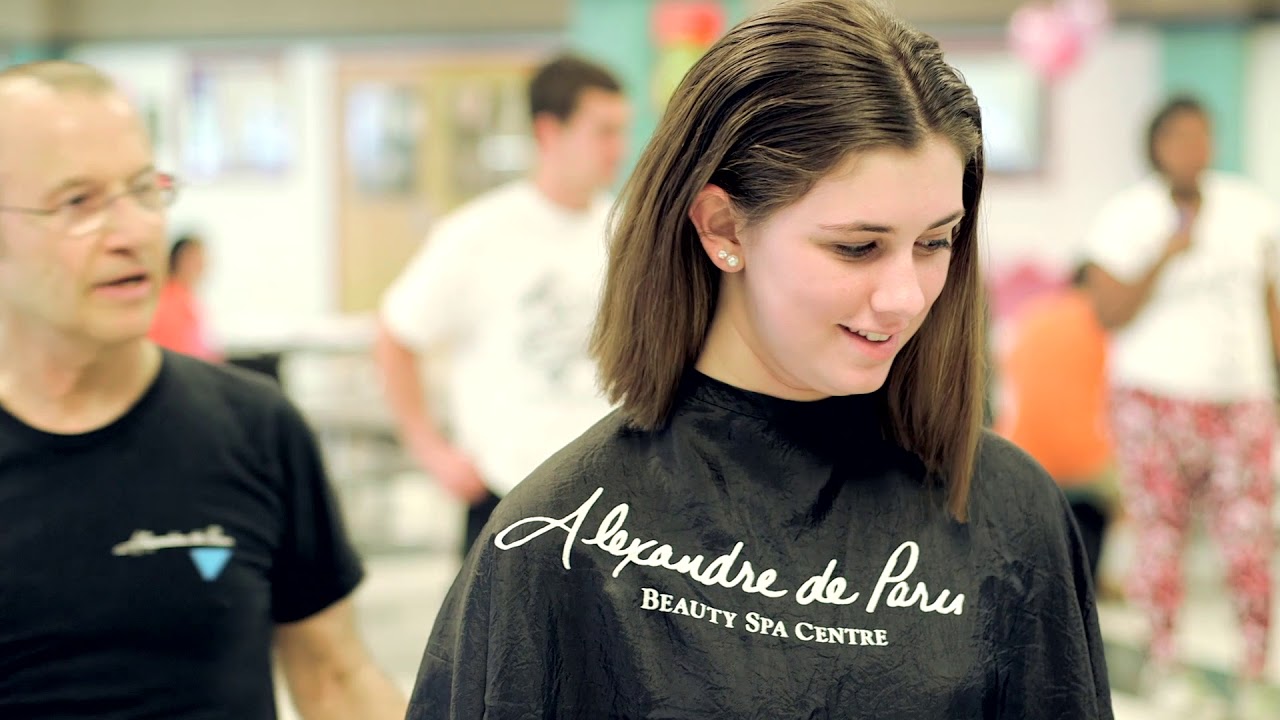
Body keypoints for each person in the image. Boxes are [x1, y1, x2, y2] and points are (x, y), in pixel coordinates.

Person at [407, 1, 1113, 718]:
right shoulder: (556, 539)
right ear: (722, 226)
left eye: (935, 242)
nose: (906, 295)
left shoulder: (1013, 515)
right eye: (857, 246)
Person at [0, 60, 406, 719]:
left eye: (144, 190)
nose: (133, 232)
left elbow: (335, 677)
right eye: (78, 202)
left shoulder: (254, 428)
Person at [374, 53, 630, 557]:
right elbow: (396, 334)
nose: (617, 149)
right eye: (602, 131)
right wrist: (431, 450)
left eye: (621, 131)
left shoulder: (627, 233)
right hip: (507, 496)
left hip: (609, 498)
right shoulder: (478, 234)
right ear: (549, 132)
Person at [1084, 94, 1280, 717]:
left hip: (1240, 400)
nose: (1194, 149)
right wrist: (1168, 251)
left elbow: (1271, 303)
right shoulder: (1126, 217)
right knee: (1159, 543)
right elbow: (1107, 313)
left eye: (1204, 136)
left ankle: (1255, 671)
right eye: (1181, 138)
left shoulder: (1250, 209)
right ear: (1157, 146)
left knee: (1251, 540)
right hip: (1153, 398)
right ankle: (1167, 668)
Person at [993, 263, 1115, 583]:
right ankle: (1091, 584)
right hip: (1085, 461)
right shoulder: (1108, 323)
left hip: (1020, 451)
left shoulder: (1034, 316)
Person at [149, 231, 220, 361]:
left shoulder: (187, 299)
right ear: (180, 259)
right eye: (195, 258)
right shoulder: (168, 301)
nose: (202, 264)